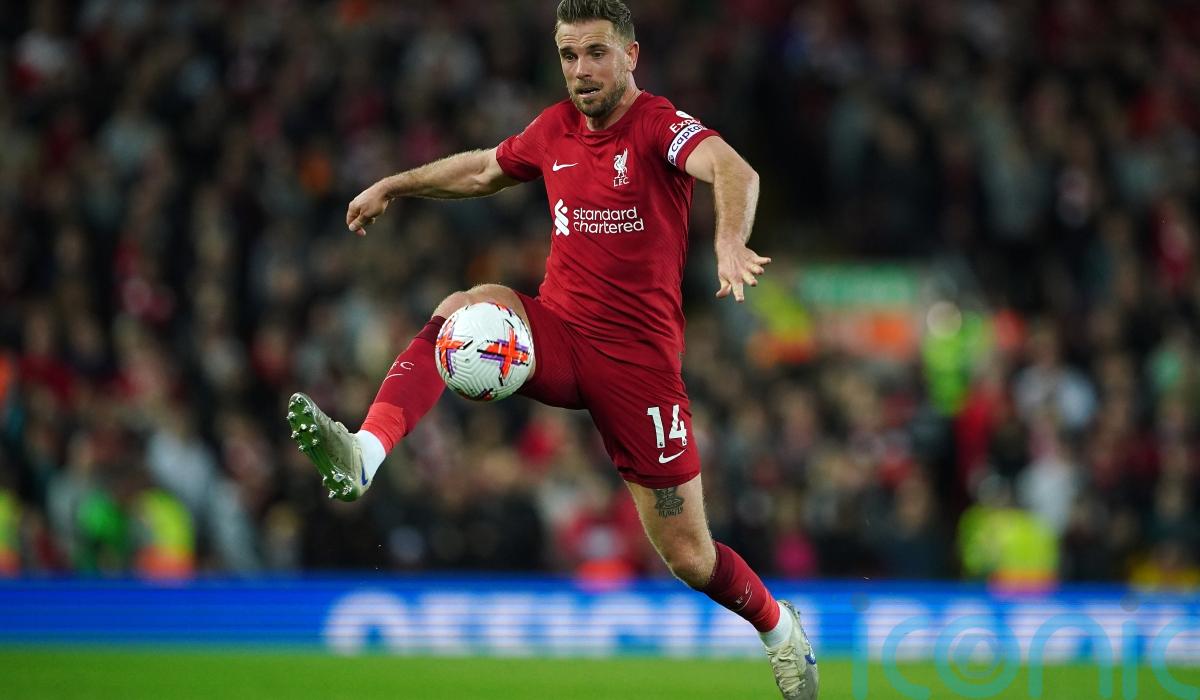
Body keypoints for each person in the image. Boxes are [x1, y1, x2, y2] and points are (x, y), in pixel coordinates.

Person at [286, 1, 818, 697]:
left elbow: (733, 168)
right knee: (464, 307)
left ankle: (779, 627)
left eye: (596, 52)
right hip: (558, 336)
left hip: (638, 370)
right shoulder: (555, 128)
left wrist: (728, 241)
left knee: (689, 557)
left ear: (630, 56)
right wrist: (395, 184)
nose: (580, 70)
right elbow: (483, 170)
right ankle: (365, 453)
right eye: (569, 55)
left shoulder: (657, 125)